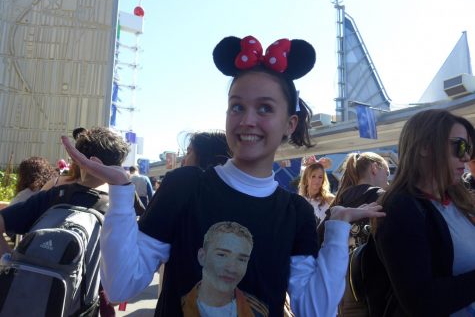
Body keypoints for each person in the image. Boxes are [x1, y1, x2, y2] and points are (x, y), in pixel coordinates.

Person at [61, 35, 385, 316]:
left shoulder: (295, 212)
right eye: (237, 106)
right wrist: (120, 190)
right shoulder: (184, 186)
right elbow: (120, 287)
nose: (247, 120)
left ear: (290, 124)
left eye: (265, 108)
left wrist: (338, 228)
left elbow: (314, 311)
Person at [0, 127, 130, 316]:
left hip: (29, 298)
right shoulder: (117, 208)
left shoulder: (54, 196)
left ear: (80, 160)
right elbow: (120, 283)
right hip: (82, 305)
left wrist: (8, 258)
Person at [372, 109, 475, 316]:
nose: (466, 157)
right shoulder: (401, 208)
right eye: (459, 146)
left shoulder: (457, 201)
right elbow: (421, 301)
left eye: (469, 148)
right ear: (425, 147)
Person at [181, 221, 268, 316]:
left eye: (242, 259)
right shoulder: (178, 306)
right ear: (202, 257)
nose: (232, 269)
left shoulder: (259, 312)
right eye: (222, 255)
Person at [333, 151, 389, 248]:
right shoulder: (382, 198)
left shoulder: (340, 201)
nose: (387, 182)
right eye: (387, 174)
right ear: (374, 168)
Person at [298, 157, 335, 226]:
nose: (317, 180)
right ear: (306, 178)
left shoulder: (330, 199)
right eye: (313, 176)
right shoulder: (300, 200)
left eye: (320, 177)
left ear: (323, 179)